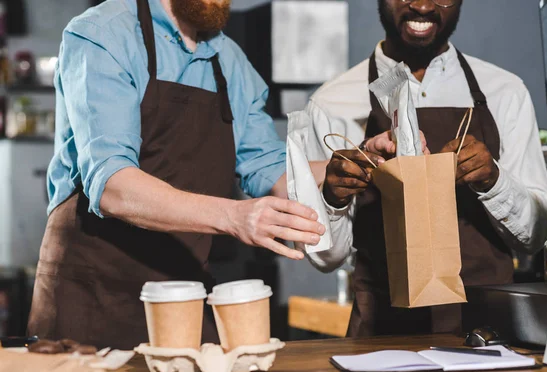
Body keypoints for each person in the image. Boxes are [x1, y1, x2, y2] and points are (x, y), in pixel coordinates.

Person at [28, 0, 325, 350]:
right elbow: (113, 187)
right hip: (91, 291)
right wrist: (234, 216)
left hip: (182, 291)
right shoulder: (104, 33)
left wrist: (355, 166)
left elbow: (270, 168)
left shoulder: (227, 58)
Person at [301, 0, 547, 336]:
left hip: (488, 331)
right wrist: (333, 196)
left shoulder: (505, 92)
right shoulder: (332, 104)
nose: (422, 5)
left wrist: (493, 181)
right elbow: (325, 259)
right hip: (381, 332)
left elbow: (536, 237)